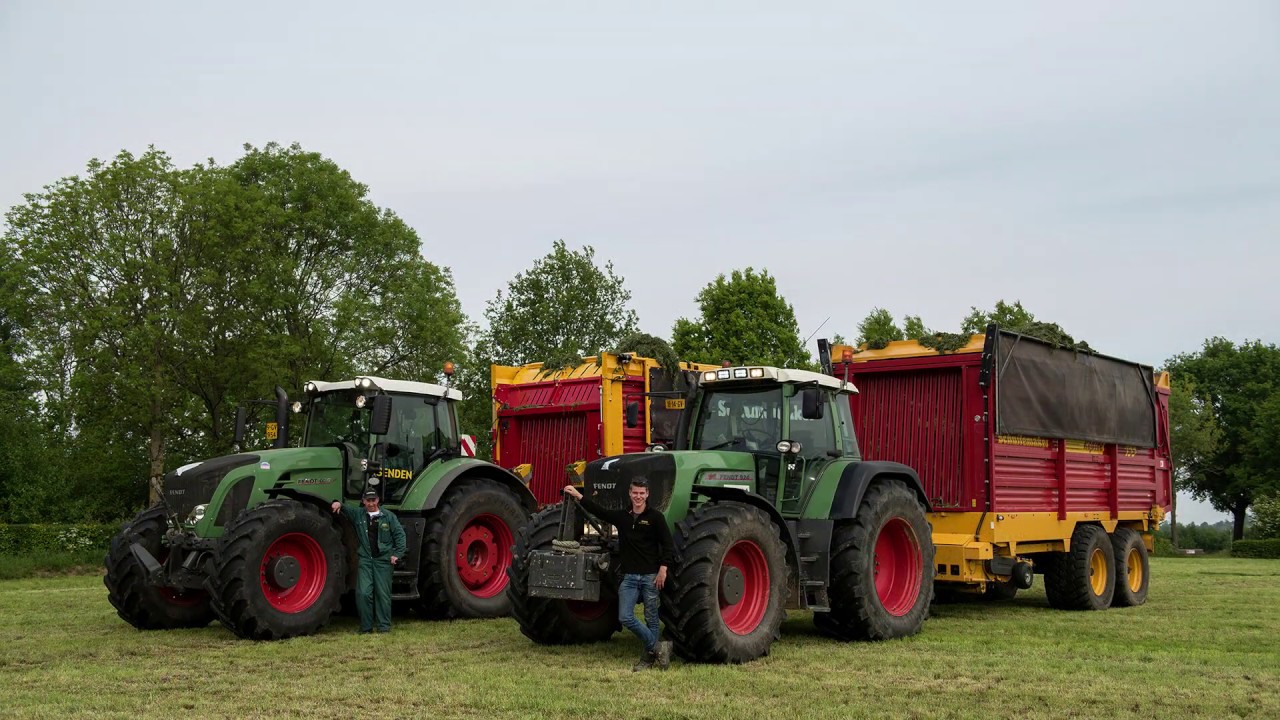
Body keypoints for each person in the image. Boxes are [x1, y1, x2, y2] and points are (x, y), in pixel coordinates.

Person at [564, 478, 675, 671]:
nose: (638, 496)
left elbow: (668, 545)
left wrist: (663, 569)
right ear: (630, 494)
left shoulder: (656, 518)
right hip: (630, 577)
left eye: (642, 493)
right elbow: (601, 512)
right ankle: (659, 647)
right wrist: (579, 497)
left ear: (647, 494)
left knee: (651, 618)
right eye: (635, 493)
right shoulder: (622, 517)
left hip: (650, 576)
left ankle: (647, 660)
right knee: (625, 617)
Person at [331, 490, 407, 633]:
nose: (371, 503)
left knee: (382, 594)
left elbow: (400, 535)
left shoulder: (389, 517)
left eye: (373, 500)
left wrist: (397, 554)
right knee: (363, 593)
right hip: (366, 560)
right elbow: (345, 508)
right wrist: (337, 503)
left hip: (383, 561)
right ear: (363, 501)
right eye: (368, 500)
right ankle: (366, 627)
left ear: (378, 500)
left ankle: (383, 627)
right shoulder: (358, 514)